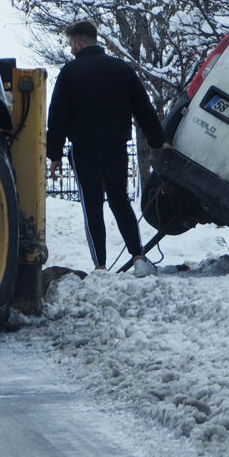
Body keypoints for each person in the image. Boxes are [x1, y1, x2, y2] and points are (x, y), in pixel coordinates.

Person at [47, 20, 173, 273]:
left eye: (71, 44)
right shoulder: (121, 69)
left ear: (79, 43)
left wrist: (55, 154)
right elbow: (143, 108)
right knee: (120, 201)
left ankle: (100, 266)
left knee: (92, 205)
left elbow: (57, 115)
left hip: (83, 150)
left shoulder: (70, 73)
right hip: (116, 148)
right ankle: (138, 259)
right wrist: (158, 142)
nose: (71, 50)